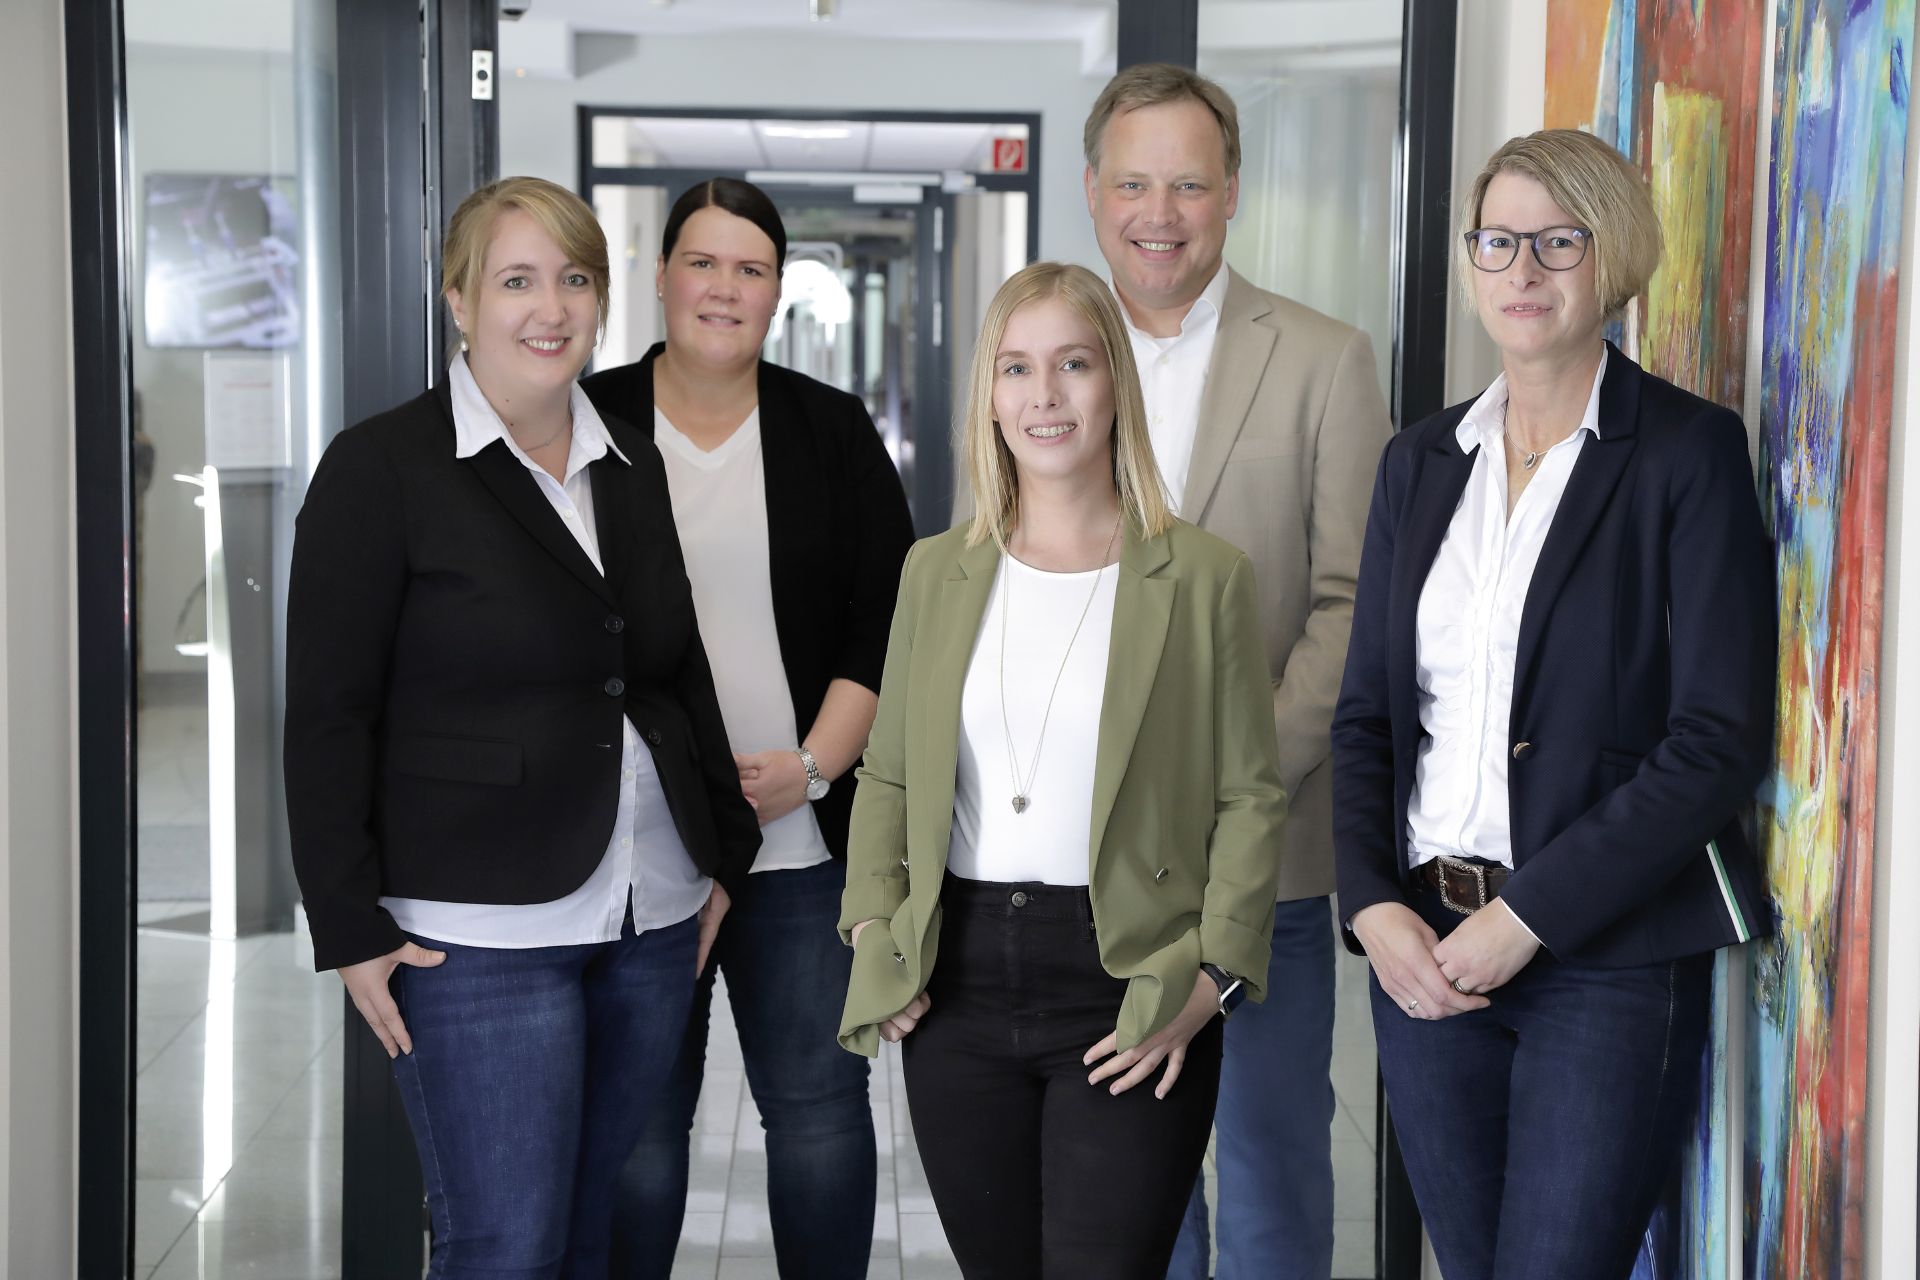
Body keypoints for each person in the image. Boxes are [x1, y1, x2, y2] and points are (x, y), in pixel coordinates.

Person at [284, 176, 760, 1279]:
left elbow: (676, 672)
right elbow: (327, 713)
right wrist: (348, 921)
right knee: (505, 1245)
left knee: (596, 1235)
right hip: (475, 937)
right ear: (458, 300)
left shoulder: (626, 463)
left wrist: (722, 853)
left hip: (650, 913)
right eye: (516, 279)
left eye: (574, 277)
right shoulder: (382, 468)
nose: (551, 306)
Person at [1331, 129, 1775, 1280]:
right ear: (1471, 262)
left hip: (1604, 959)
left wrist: (1524, 918)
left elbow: (1716, 738)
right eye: (1498, 241)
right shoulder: (1422, 460)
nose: (1522, 269)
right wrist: (1373, 904)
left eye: (1557, 240)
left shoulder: (1686, 451)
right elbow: (1370, 716)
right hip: (1423, 946)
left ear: (1610, 256)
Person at [839, 261, 1289, 1278]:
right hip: (956, 976)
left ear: (1114, 385)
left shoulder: (1201, 575)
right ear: (989, 396)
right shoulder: (935, 571)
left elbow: (1250, 794)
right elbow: (892, 774)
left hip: (1127, 970)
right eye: (1016, 368)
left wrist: (1212, 976)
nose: (1044, 396)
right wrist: (875, 927)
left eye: (1073, 364)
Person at [1076, 63, 1392, 1280]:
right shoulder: (1040, 351)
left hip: (1271, 856)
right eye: (1136, 182)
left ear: (1234, 195)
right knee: (1130, 1174)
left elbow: (1350, 604)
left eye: (1191, 184)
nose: (1162, 212)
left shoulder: (1323, 357)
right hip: (1090, 859)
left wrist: (1232, 784)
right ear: (1095, 191)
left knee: (1266, 1162)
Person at [579, 178, 914, 1280]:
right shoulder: (589, 418)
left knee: (818, 1107)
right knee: (637, 1122)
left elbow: (888, 619)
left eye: (752, 267)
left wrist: (814, 766)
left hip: (802, 843)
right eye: (703, 261)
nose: (725, 287)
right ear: (662, 272)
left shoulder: (830, 428)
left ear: (777, 290)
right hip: (636, 850)